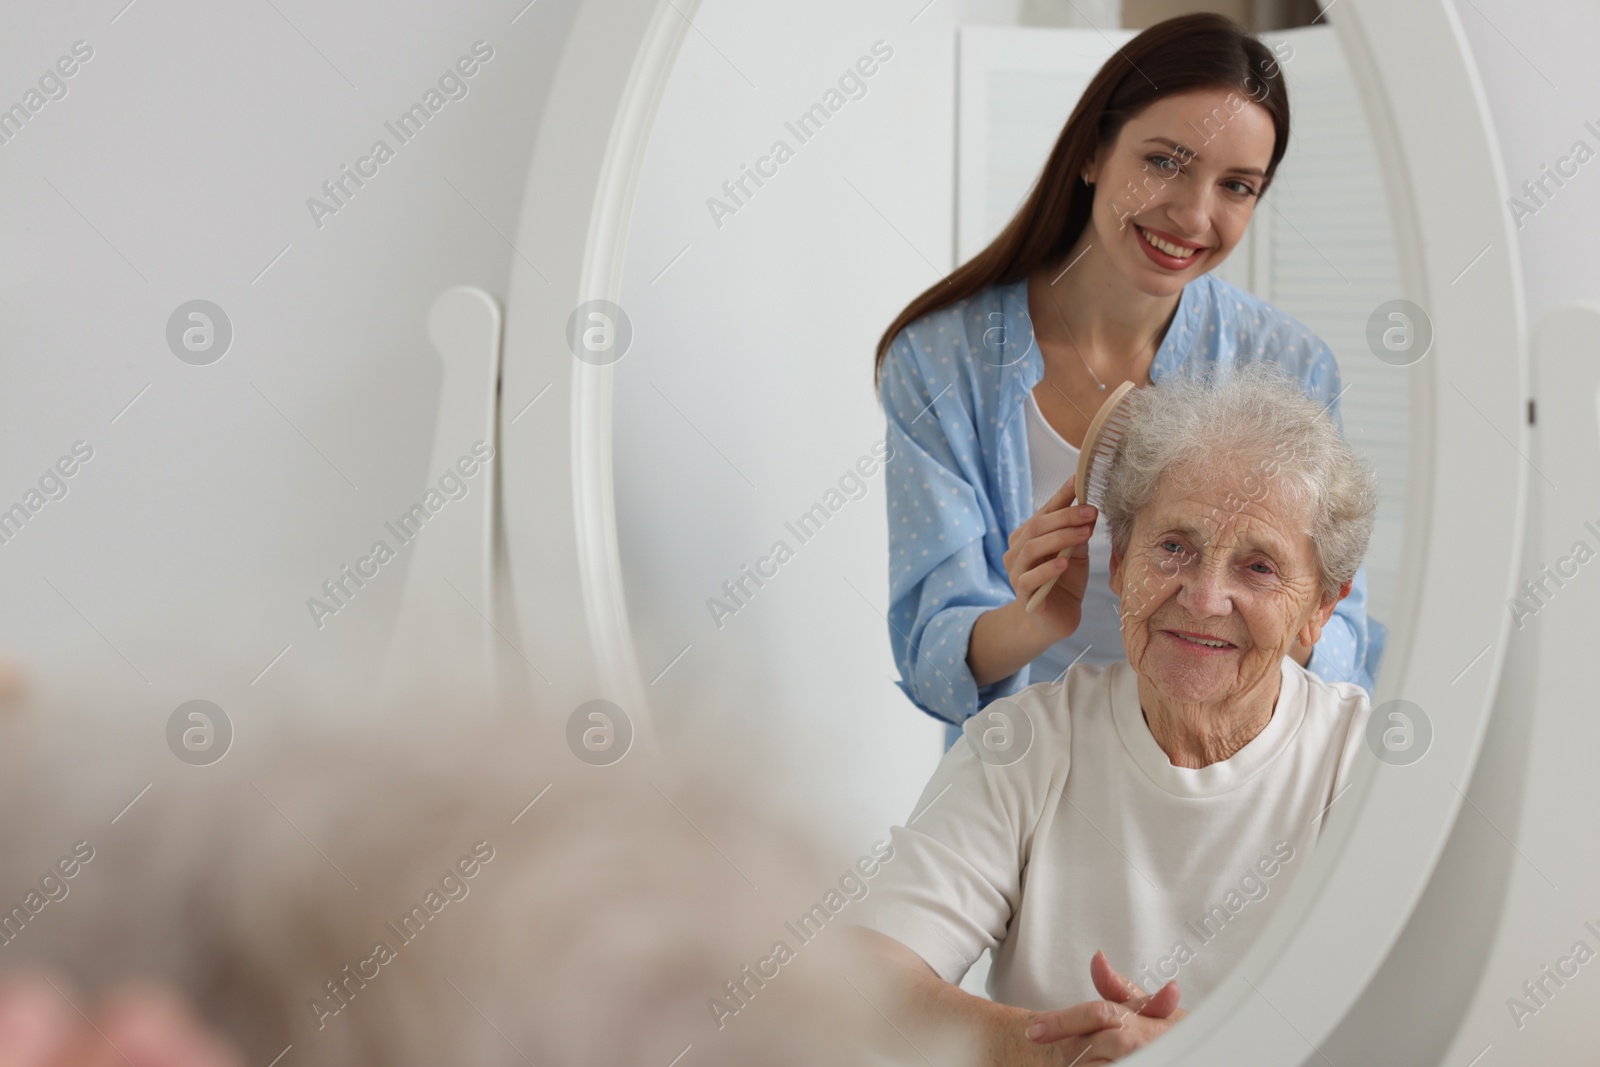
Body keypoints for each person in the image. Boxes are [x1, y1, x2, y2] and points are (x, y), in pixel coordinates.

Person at [873, 12, 1386, 747]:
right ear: (1091, 151)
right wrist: (1031, 618)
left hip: (1223, 761)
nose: (1194, 214)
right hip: (1027, 761)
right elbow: (933, 658)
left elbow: (1341, 643)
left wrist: (1266, 603)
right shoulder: (939, 360)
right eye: (1166, 162)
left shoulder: (1292, 365)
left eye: (1237, 186)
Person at [845, 367, 1380, 1063]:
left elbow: (1410, 1021)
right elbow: (866, 981)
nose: (1203, 596)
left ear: (1321, 609)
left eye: (1258, 567)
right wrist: (1044, 1047)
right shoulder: (1027, 743)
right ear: (1121, 564)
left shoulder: (1363, 762)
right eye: (1174, 547)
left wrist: (1202, 1050)